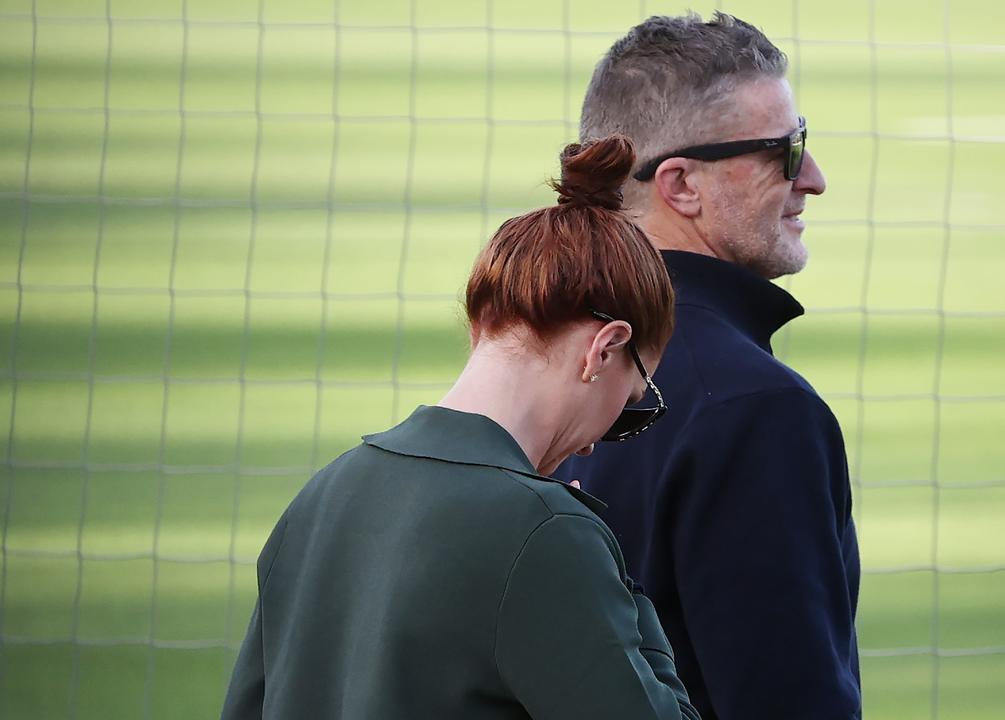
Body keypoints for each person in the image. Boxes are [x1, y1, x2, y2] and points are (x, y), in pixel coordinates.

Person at [221, 136, 700, 720]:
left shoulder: (321, 497)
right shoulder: (548, 532)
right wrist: (611, 573)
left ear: (481, 326)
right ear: (604, 349)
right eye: (631, 405)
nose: (600, 439)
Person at [555, 13, 861, 720]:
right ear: (681, 185)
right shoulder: (752, 407)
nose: (812, 178)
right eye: (783, 151)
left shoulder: (539, 359)